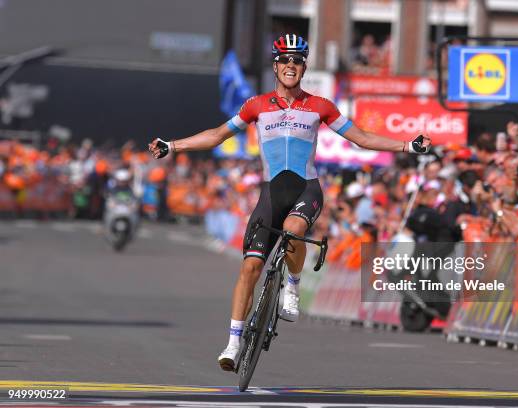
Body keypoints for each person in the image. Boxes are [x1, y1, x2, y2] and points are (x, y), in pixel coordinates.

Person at [148, 33, 431, 372]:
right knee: (250, 268)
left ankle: (292, 286)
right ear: (276, 64)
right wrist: (173, 145)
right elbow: (217, 135)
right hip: (270, 194)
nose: (291, 66)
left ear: (304, 66)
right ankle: (234, 343)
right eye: (285, 59)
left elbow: (363, 138)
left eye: (297, 60)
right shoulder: (256, 105)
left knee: (294, 230)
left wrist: (407, 146)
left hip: (305, 190)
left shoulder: (320, 106)